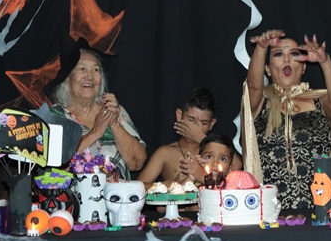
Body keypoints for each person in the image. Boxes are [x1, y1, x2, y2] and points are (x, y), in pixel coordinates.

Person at [242, 30, 331, 212]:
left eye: (294, 54)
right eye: (278, 54)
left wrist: (325, 61)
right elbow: (253, 85)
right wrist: (261, 47)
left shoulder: (319, 101)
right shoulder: (259, 102)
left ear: (303, 67)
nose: (286, 59)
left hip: (318, 208)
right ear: (267, 68)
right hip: (270, 210)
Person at [45, 37, 146, 180]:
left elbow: (136, 163)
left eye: (96, 70)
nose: (90, 76)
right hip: (73, 194)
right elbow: (54, 170)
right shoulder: (55, 116)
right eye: (82, 69)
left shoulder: (114, 110)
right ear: (68, 78)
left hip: (118, 193)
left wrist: (114, 123)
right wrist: (94, 133)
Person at [138, 88, 242, 189]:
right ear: (179, 115)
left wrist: (201, 138)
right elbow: (139, 186)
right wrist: (173, 184)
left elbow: (236, 165)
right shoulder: (165, 153)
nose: (196, 127)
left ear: (211, 124)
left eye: (204, 123)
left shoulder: (217, 150)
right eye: (191, 120)